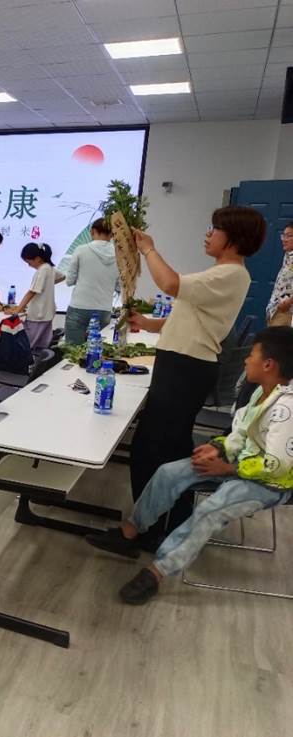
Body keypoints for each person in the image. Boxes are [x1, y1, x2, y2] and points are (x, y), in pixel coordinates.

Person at [86, 327, 293, 604]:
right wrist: (220, 447)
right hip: (242, 463)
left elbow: (277, 465)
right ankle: (129, 532)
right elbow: (241, 432)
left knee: (211, 509)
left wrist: (229, 469)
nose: (246, 360)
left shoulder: (286, 409)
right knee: (168, 472)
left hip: (270, 483)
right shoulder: (261, 393)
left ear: (268, 365)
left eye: (252, 355)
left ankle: (157, 571)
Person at [126, 206, 266, 551]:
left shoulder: (231, 274)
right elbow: (190, 314)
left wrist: (148, 248)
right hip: (182, 364)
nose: (208, 234)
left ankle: (147, 529)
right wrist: (149, 324)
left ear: (233, 237)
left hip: (186, 367)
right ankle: (168, 521)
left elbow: (170, 284)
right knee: (169, 447)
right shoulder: (221, 272)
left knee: (151, 448)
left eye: (214, 229)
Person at [64, 218, 120, 344]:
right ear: (112, 234)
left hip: (79, 306)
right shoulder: (118, 255)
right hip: (104, 308)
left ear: (93, 231)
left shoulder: (81, 250)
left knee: (72, 349)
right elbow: (119, 286)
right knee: (96, 349)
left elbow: (69, 281)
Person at [6, 242, 60, 351]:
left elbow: (31, 292)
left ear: (38, 259)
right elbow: (62, 276)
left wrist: (17, 310)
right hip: (47, 314)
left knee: (27, 346)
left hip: (37, 315)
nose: (28, 265)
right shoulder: (50, 268)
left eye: (29, 262)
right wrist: (48, 284)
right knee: (41, 347)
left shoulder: (42, 270)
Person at [266, 222, 293, 327]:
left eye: (289, 236)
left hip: (287, 311)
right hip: (275, 309)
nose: (284, 239)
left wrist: (289, 302)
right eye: (283, 235)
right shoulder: (288, 256)